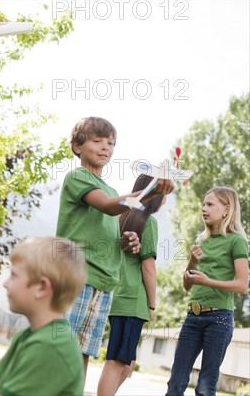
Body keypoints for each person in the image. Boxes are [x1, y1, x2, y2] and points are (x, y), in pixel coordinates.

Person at [57, 117, 174, 381]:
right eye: (97, 141)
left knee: (83, 353)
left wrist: (124, 242)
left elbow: (107, 232)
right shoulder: (78, 177)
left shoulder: (110, 188)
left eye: (110, 143)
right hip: (78, 277)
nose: (105, 147)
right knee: (63, 350)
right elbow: (108, 206)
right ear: (77, 146)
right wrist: (148, 193)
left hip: (104, 282)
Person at [0, 237, 87, 396]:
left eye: (13, 275)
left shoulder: (51, 345)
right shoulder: (28, 336)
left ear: (41, 287)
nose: (5, 283)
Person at [166, 187, 248, 396]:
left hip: (219, 319)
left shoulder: (236, 240)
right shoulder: (200, 240)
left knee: (204, 387)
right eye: (203, 204)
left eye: (210, 204)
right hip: (193, 317)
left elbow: (242, 285)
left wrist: (209, 281)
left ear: (226, 209)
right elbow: (187, 286)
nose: (204, 208)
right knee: (175, 383)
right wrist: (192, 261)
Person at [98, 174, 165, 396]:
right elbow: (148, 268)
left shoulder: (122, 217)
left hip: (119, 297)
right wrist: (152, 305)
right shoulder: (149, 222)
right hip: (132, 300)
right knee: (116, 361)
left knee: (127, 364)